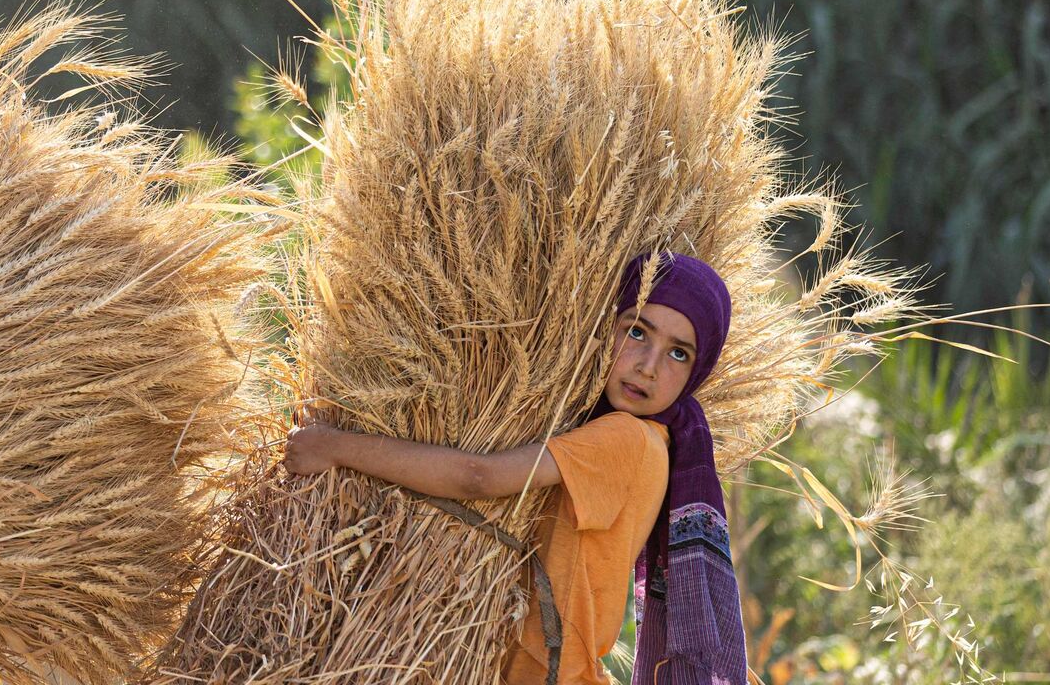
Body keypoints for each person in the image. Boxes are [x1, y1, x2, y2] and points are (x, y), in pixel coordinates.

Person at [284, 252, 747, 685]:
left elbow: (479, 478)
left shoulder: (625, 439)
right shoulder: (643, 439)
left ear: (697, 373)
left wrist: (336, 447)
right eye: (637, 332)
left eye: (678, 353)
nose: (647, 366)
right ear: (607, 328)